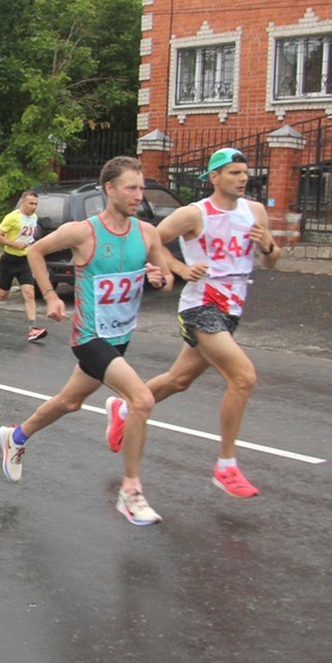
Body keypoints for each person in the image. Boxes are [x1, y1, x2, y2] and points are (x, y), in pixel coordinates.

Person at [0, 157, 171, 525]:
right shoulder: (83, 232)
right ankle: (131, 492)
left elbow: (166, 278)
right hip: (89, 337)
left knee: (70, 402)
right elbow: (35, 251)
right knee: (142, 399)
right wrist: (52, 295)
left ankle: (16, 436)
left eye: (141, 188)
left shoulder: (147, 233)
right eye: (131, 188)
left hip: (120, 337)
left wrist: (157, 276)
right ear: (110, 190)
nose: (139, 195)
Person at [119, 148, 282, 501]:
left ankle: (124, 407)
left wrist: (268, 245)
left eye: (245, 172)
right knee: (243, 377)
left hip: (232, 309)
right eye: (234, 173)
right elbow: (150, 241)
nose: (243, 178)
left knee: (179, 380)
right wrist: (178, 269)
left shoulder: (255, 212)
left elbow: (271, 262)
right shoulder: (194, 214)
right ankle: (226, 466)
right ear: (215, 178)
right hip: (200, 306)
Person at [0, 190, 47, 342]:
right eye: (31, 203)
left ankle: (33, 328)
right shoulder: (12, 217)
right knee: (2, 295)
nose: (34, 207)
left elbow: (29, 237)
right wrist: (15, 244)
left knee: (29, 293)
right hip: (9, 260)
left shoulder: (34, 218)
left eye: (36, 204)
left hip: (24, 260)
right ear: (22, 203)